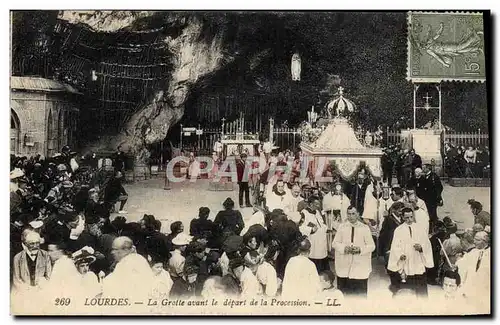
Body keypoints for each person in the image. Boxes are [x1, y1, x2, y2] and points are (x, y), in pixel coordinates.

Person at [388, 207, 434, 298]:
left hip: (418, 262)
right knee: (407, 292)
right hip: (406, 263)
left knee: (421, 292)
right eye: (407, 218)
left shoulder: (420, 228)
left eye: (411, 217)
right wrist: (400, 254)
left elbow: (427, 244)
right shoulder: (399, 230)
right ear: (403, 218)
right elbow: (395, 246)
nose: (409, 220)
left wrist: (421, 248)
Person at [333, 206, 375, 298]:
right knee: (344, 296)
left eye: (353, 214)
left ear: (358, 214)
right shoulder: (342, 227)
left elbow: (372, 246)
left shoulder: (365, 228)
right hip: (344, 267)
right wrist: (345, 248)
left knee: (359, 296)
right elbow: (335, 243)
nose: (351, 216)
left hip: (359, 268)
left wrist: (360, 249)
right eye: (349, 214)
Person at [456, 231, 490, 305]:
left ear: (484, 241)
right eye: (474, 239)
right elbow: (463, 263)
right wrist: (458, 261)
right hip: (471, 286)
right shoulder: (473, 252)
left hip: (485, 287)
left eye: (477, 240)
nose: (474, 242)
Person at [299, 196, 328, 273]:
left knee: (322, 257)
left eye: (319, 204)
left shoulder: (317, 212)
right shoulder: (304, 213)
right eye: (317, 204)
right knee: (314, 257)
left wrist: (325, 228)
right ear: (311, 204)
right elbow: (301, 227)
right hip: (313, 240)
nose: (318, 206)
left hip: (321, 240)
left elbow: (321, 223)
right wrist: (311, 230)